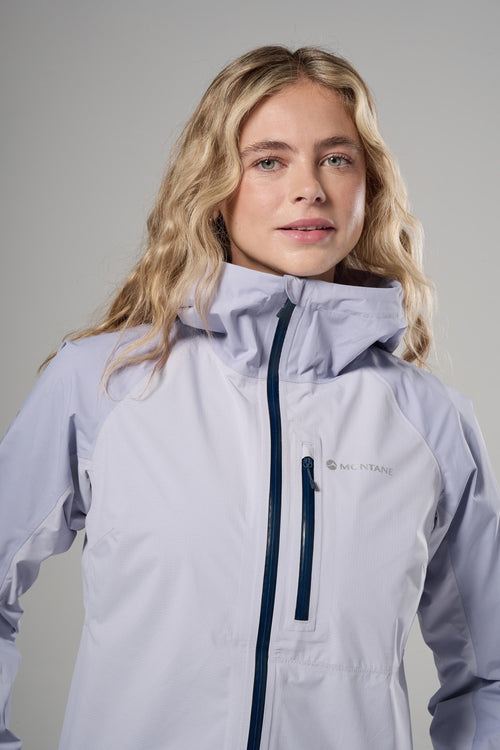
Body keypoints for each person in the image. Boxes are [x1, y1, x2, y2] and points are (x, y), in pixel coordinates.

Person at [0, 44, 499, 750]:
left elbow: (488, 675)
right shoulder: (103, 384)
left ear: (370, 186)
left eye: (337, 158)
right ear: (214, 185)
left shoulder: (431, 422)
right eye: (269, 161)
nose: (310, 188)